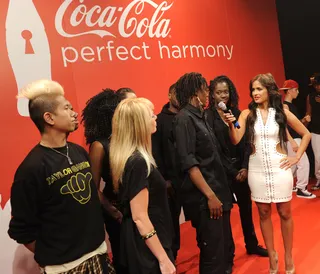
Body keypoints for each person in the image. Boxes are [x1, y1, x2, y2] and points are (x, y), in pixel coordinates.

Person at [8, 80, 109, 274]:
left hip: (99, 254)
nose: (74, 113)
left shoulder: (79, 151)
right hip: (65, 267)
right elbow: (21, 230)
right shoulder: (31, 169)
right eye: (67, 108)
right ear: (49, 117)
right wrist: (56, 256)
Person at [224, 73, 311, 274]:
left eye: (259, 89)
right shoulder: (246, 114)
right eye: (253, 89)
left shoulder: (281, 112)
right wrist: (231, 124)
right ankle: (272, 255)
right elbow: (236, 139)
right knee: (263, 213)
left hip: (280, 168)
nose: (255, 93)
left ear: (269, 90)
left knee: (285, 213)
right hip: (257, 170)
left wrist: (296, 158)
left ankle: (288, 255)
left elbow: (305, 134)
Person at [172, 72, 233, 274]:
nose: (209, 93)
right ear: (194, 92)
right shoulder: (183, 119)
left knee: (224, 251)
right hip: (206, 199)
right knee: (213, 255)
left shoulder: (201, 116)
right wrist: (210, 196)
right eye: (205, 89)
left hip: (219, 192)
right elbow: (190, 164)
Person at [109, 98, 175, 274]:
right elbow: (140, 217)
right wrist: (163, 259)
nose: (155, 118)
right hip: (147, 248)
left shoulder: (133, 157)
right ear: (138, 124)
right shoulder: (138, 162)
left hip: (145, 241)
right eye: (150, 115)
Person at [206, 75, 268, 258]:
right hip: (222, 172)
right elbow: (213, 148)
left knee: (247, 209)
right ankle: (228, 253)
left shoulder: (237, 113)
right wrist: (232, 170)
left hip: (241, 169)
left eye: (225, 91)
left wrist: (245, 167)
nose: (222, 96)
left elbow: (246, 143)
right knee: (225, 214)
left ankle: (252, 244)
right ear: (212, 94)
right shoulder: (208, 117)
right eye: (218, 92)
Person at [82, 89, 125, 273]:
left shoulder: (123, 139)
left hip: (133, 206)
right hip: (116, 209)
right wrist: (112, 210)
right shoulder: (99, 146)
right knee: (123, 257)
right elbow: (92, 185)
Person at [152, 83, 181, 260]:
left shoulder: (188, 116)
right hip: (170, 183)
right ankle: (172, 259)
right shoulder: (159, 121)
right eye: (176, 94)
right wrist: (165, 180)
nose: (179, 97)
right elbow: (156, 152)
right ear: (169, 94)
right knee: (172, 224)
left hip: (190, 179)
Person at [280, 80, 315, 198]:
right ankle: (301, 188)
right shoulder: (285, 106)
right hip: (293, 139)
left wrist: (304, 121)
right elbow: (284, 126)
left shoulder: (291, 106)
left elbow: (295, 125)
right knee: (303, 163)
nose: (298, 92)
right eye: (296, 89)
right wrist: (291, 141)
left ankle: (289, 186)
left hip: (294, 138)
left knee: (293, 165)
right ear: (289, 91)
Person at [305, 75, 320, 190]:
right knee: (318, 157)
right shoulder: (310, 96)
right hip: (315, 130)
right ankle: (319, 180)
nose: (318, 87)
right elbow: (308, 112)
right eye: (316, 85)